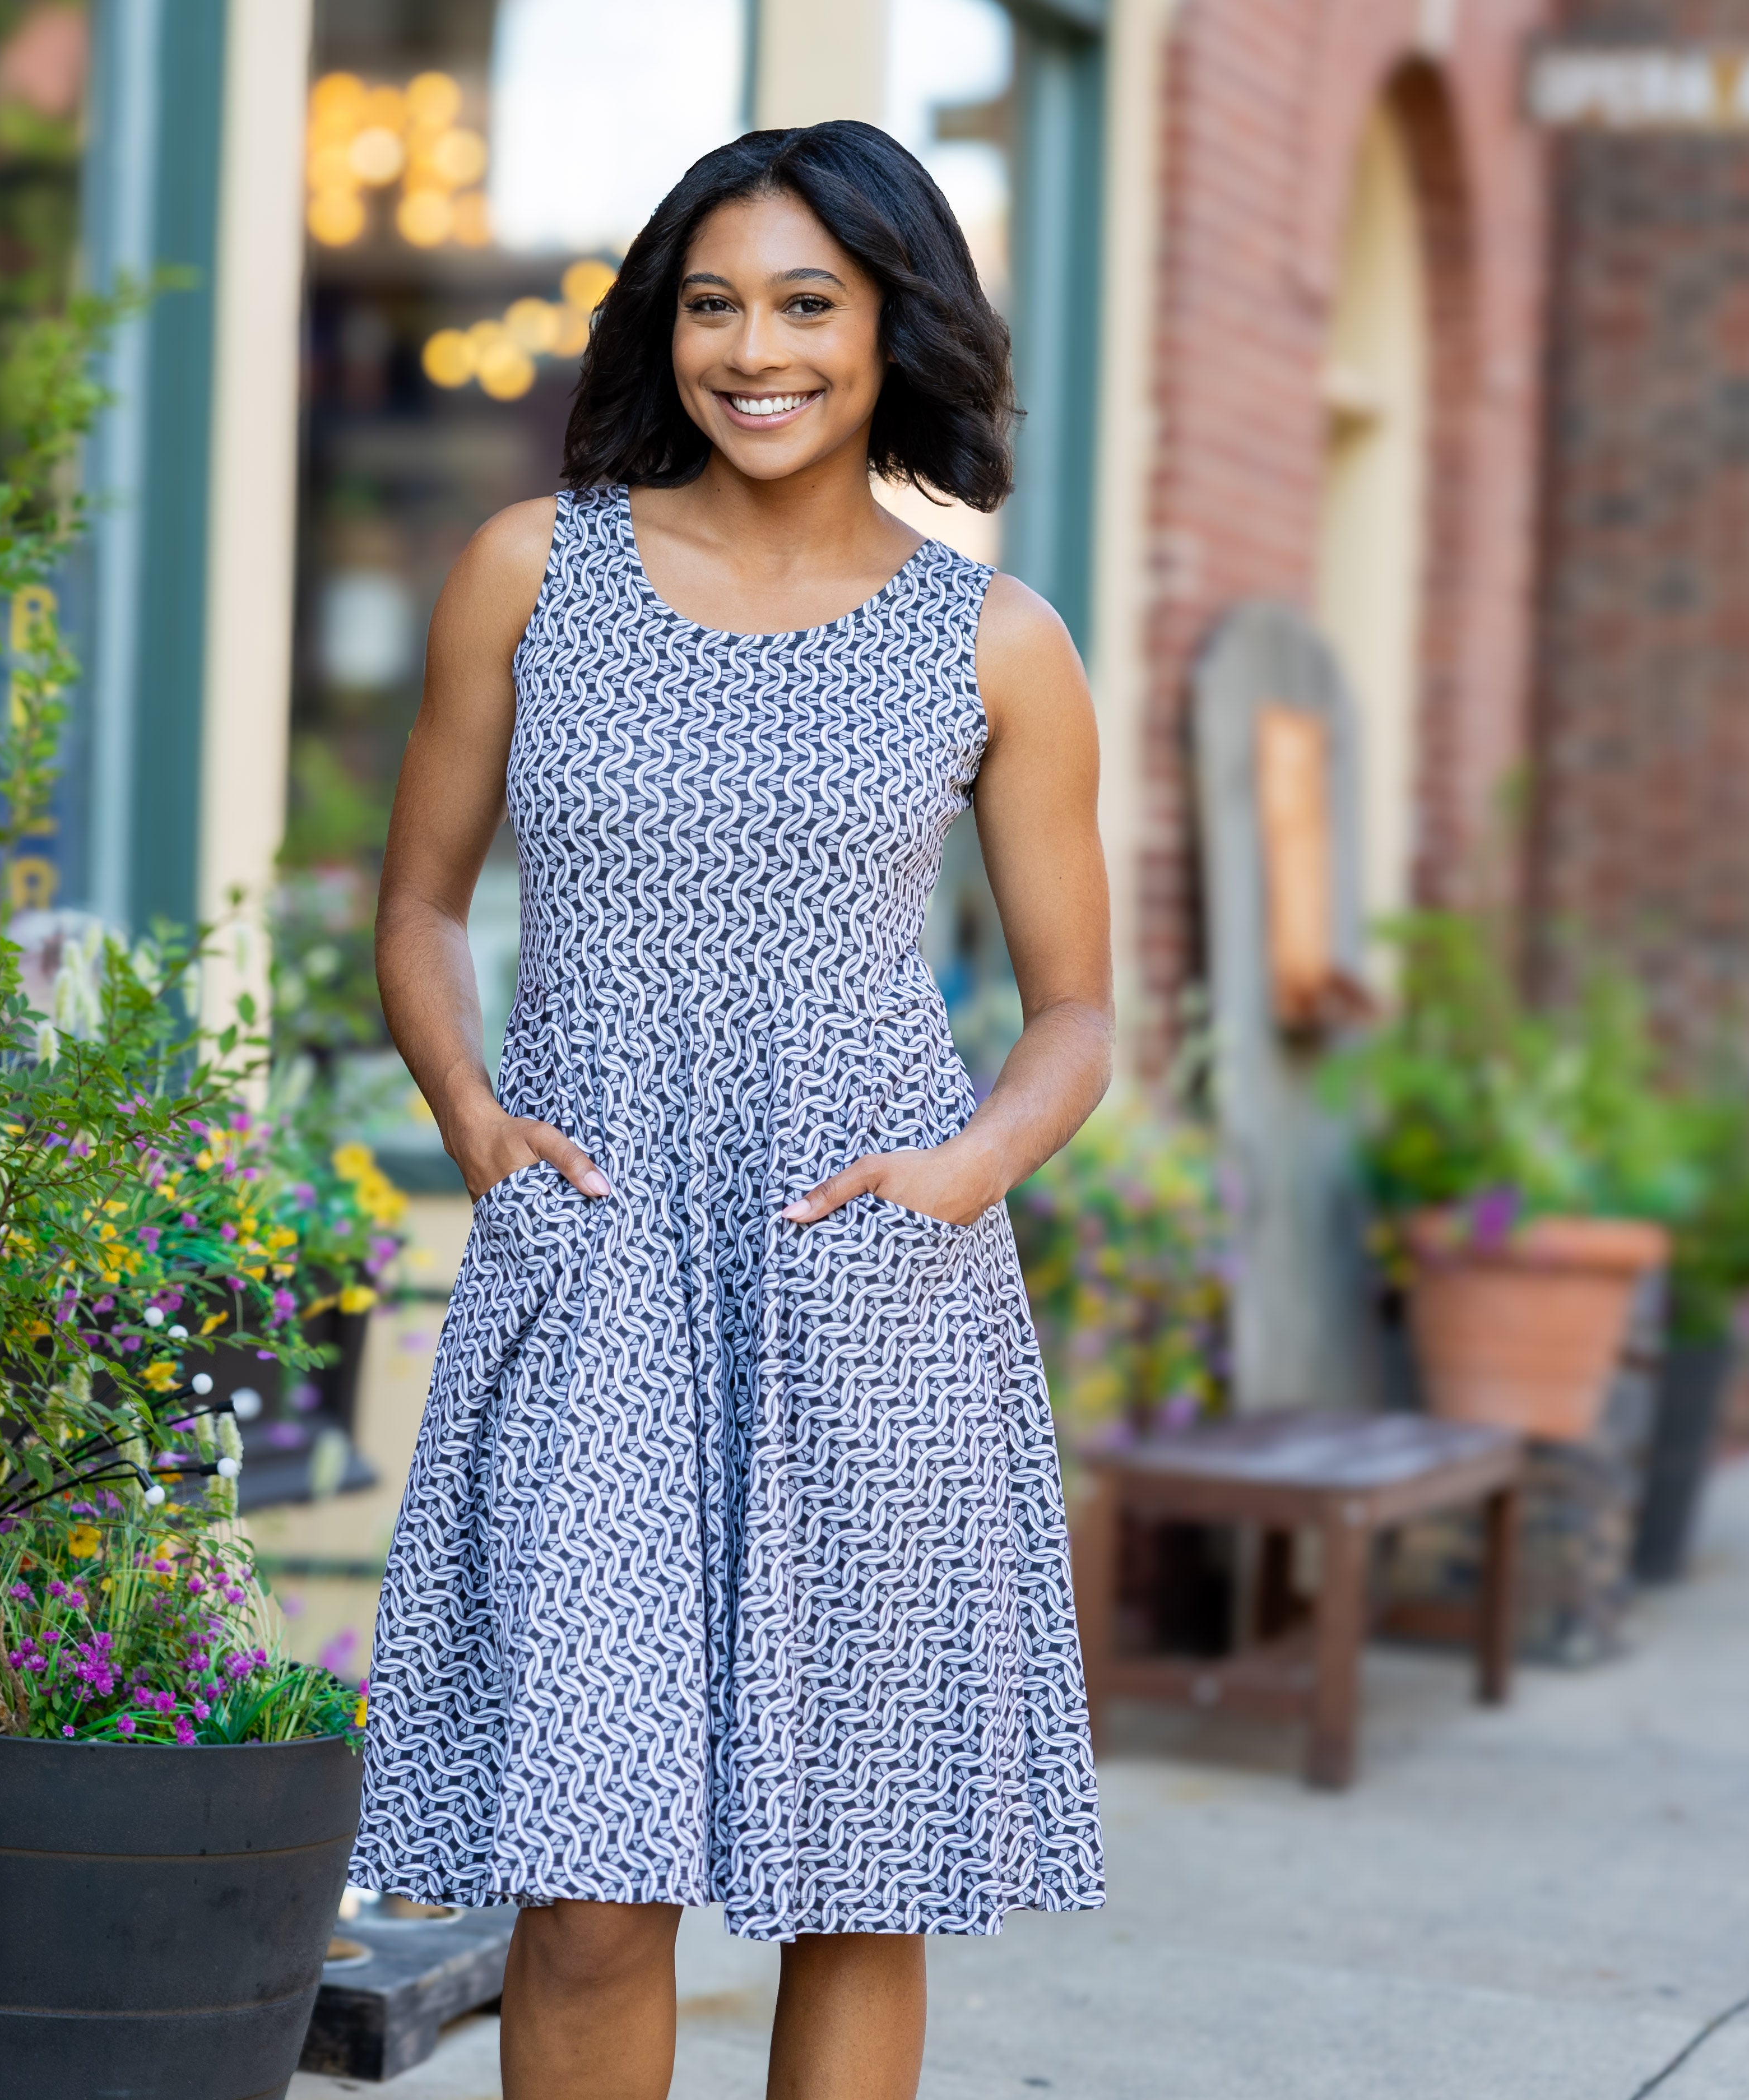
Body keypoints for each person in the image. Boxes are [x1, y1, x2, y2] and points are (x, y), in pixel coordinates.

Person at [349, 119, 1110, 2100]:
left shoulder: (997, 641)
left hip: (863, 1279)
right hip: (595, 1266)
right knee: (585, 1879)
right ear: (661, 327)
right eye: (711, 304)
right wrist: (474, 1118)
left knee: (857, 1882)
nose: (751, 349)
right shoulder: (532, 567)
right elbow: (418, 904)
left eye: (803, 305)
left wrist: (963, 1173)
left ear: (890, 330)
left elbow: (1079, 1016)